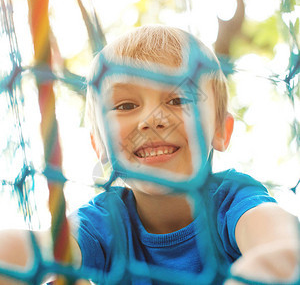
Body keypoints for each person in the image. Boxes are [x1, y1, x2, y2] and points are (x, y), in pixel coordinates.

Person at [0, 25, 298, 285]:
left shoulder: (232, 201)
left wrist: (267, 265)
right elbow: (41, 247)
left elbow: (280, 242)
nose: (152, 119)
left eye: (177, 99)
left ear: (221, 130)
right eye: (126, 105)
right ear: (99, 145)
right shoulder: (105, 220)